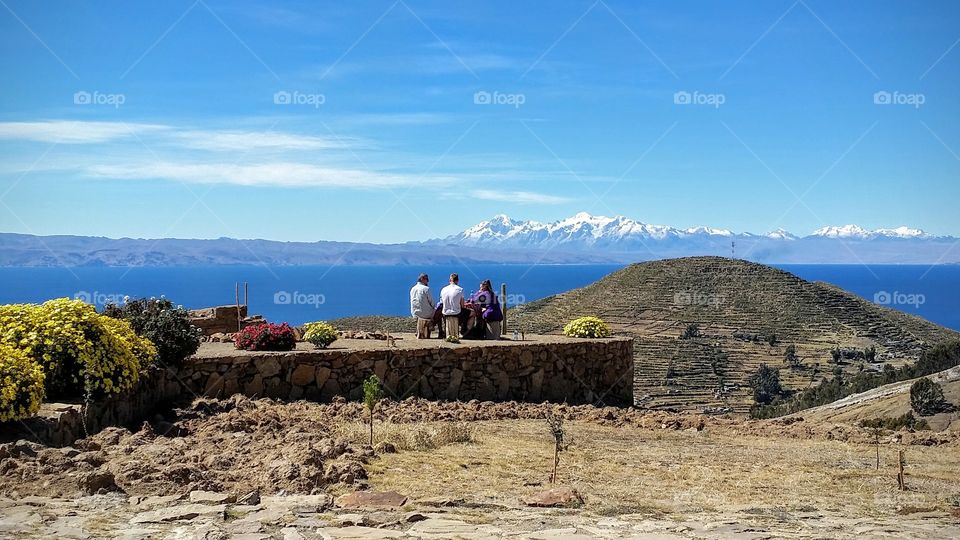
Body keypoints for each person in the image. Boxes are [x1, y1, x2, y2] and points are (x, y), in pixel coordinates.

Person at [440, 273, 465, 339]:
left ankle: (444, 333)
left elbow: (441, 302)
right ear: (457, 280)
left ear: (449, 280)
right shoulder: (460, 289)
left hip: (445, 312)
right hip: (457, 313)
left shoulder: (443, 289)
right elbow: (462, 305)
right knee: (471, 313)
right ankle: (465, 333)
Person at [409, 273, 435, 338]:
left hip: (415, 313)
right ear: (422, 279)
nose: (427, 281)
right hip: (425, 314)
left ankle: (419, 331)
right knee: (439, 312)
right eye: (427, 279)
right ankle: (440, 331)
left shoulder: (413, 289)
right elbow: (432, 303)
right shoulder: (426, 289)